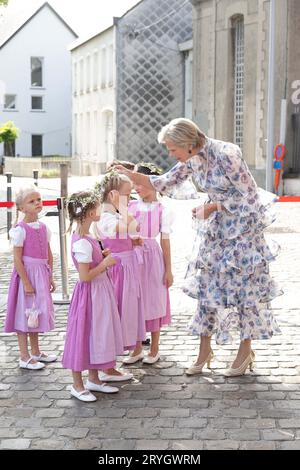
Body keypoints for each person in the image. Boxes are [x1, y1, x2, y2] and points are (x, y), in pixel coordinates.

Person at [116, 118, 282, 377]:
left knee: (242, 292)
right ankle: (204, 350)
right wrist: (130, 175)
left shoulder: (227, 154)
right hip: (216, 232)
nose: (171, 154)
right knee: (207, 289)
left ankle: (245, 351)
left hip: (242, 234)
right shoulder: (192, 159)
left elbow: (251, 197)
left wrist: (214, 206)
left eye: (173, 149)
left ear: (189, 144)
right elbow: (165, 182)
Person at [62, 191, 124, 401]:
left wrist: (102, 257)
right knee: (83, 334)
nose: (101, 209)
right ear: (89, 213)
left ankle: (94, 379)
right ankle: (77, 385)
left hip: (99, 292)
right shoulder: (81, 242)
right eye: (97, 207)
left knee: (97, 334)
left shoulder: (89, 236)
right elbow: (84, 277)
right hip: (89, 295)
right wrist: (105, 264)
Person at [94, 171, 146, 375]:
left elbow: (131, 230)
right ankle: (109, 363)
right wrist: (123, 208)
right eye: (127, 195)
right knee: (116, 312)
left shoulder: (114, 215)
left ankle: (135, 347)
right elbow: (133, 225)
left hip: (128, 268)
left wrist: (132, 240)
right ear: (114, 194)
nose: (130, 199)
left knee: (130, 309)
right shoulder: (105, 217)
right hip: (117, 271)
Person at [125, 162, 173, 364]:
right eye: (134, 184)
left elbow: (165, 240)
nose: (136, 188)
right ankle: (136, 349)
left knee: (153, 299)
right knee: (135, 300)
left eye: (140, 183)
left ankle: (154, 349)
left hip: (152, 258)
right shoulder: (129, 206)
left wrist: (168, 270)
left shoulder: (163, 210)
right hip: (132, 257)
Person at [4, 186, 57, 370]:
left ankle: (36, 351)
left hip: (41, 274)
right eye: (32, 201)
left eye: (38, 200)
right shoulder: (20, 230)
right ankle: (24, 356)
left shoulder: (44, 228)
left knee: (36, 313)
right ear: (21, 208)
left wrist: (50, 276)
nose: (37, 203)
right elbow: (17, 258)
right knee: (24, 314)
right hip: (27, 275)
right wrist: (26, 282)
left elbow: (49, 254)